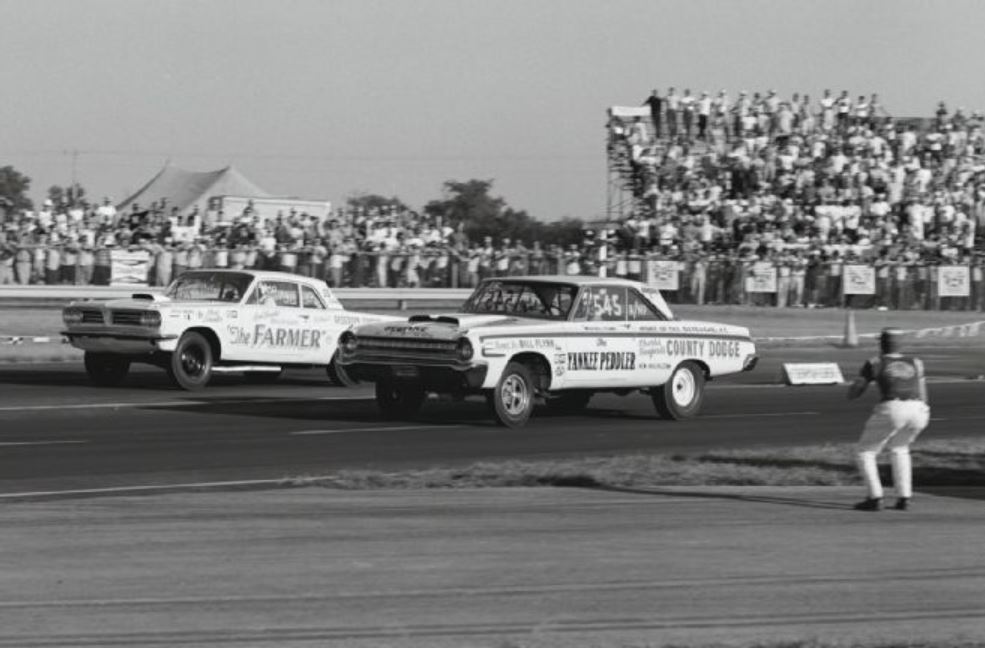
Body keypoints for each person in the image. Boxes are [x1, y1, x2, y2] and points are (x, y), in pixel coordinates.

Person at [847, 328, 930, 511]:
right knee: (900, 449)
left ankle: (875, 497)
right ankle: (904, 497)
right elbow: (922, 391)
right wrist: (923, 409)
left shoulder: (875, 362)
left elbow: (857, 390)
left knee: (865, 452)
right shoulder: (916, 362)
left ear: (881, 344)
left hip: (893, 408)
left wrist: (852, 390)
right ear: (901, 344)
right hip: (919, 409)